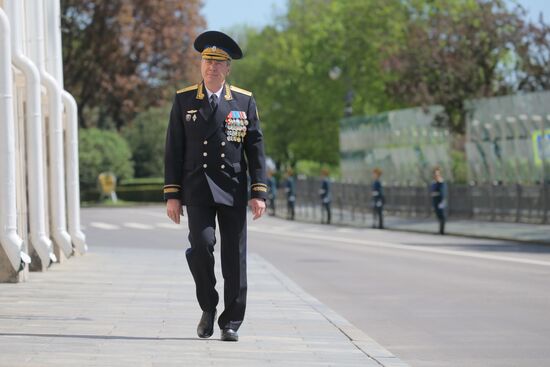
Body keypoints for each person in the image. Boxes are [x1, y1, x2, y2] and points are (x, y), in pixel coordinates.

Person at [163, 30, 267, 342]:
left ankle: (231, 321)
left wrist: (258, 192)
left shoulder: (243, 101)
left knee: (234, 258)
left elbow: (256, 149)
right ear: (200, 65)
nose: (212, 67)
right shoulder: (184, 100)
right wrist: (172, 195)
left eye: (219, 62)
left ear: (228, 68)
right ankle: (208, 306)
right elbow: (173, 149)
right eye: (207, 60)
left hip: (232, 188)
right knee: (201, 247)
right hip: (197, 189)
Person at [430, 166, 447, 235]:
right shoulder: (434, 183)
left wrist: (443, 201)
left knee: (442, 215)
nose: (436, 175)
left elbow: (443, 193)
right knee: (438, 215)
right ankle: (440, 230)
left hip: (440, 201)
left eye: (437, 174)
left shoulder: (441, 183)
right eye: (435, 174)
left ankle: (442, 231)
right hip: (435, 201)